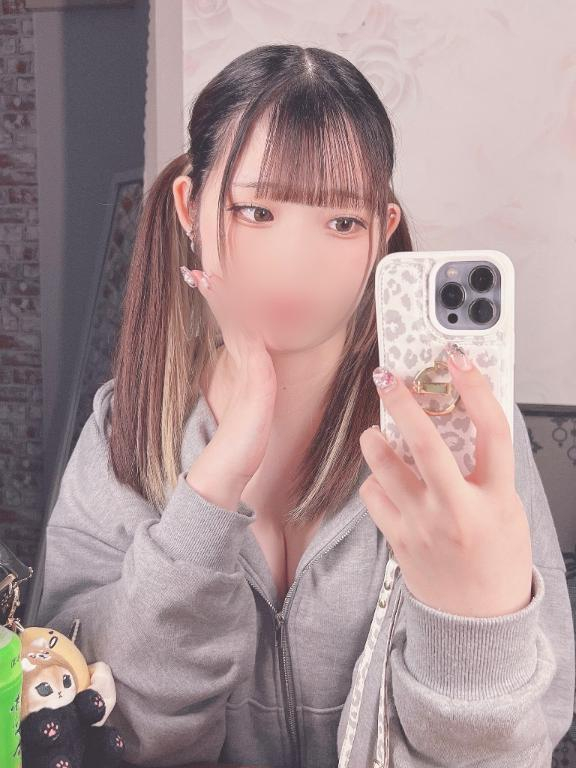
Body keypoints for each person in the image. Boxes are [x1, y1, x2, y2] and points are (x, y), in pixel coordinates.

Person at [36, 44, 574, 768]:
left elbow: (520, 746)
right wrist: (210, 491)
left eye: (342, 223)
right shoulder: (123, 430)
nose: (297, 261)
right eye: (256, 211)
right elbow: (94, 725)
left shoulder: (458, 435)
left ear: (382, 232)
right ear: (191, 208)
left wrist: (470, 624)